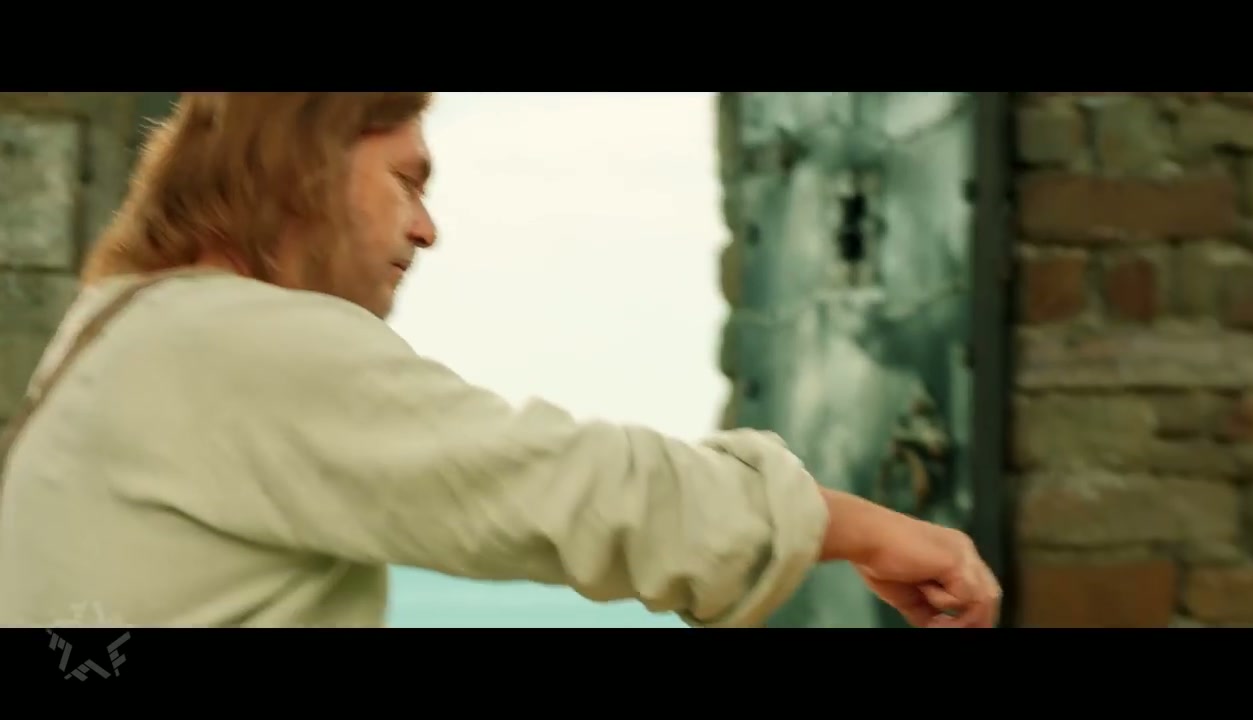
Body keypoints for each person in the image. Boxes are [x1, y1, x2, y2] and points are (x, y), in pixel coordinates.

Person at [0, 92, 1000, 629]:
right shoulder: (236, 343)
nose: (426, 228)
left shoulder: (119, 332)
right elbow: (555, 484)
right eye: (406, 180)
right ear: (303, 164)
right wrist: (856, 527)